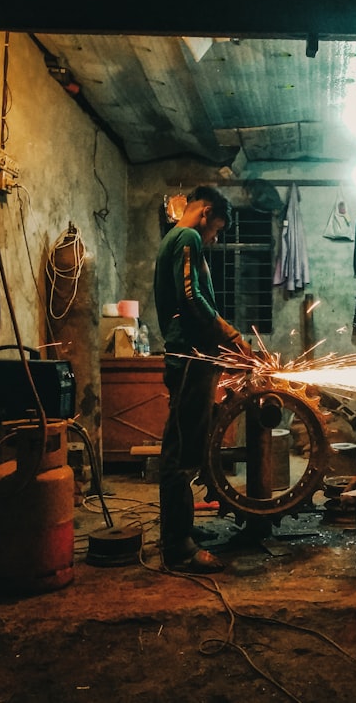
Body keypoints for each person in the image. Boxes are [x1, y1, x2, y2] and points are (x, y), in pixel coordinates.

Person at [153, 186, 254, 573]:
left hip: (195, 356)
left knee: (187, 447)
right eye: (216, 230)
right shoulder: (188, 236)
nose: (213, 238)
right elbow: (192, 298)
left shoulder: (173, 240)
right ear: (206, 212)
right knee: (179, 455)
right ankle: (178, 547)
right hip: (192, 358)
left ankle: (184, 531)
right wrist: (231, 336)